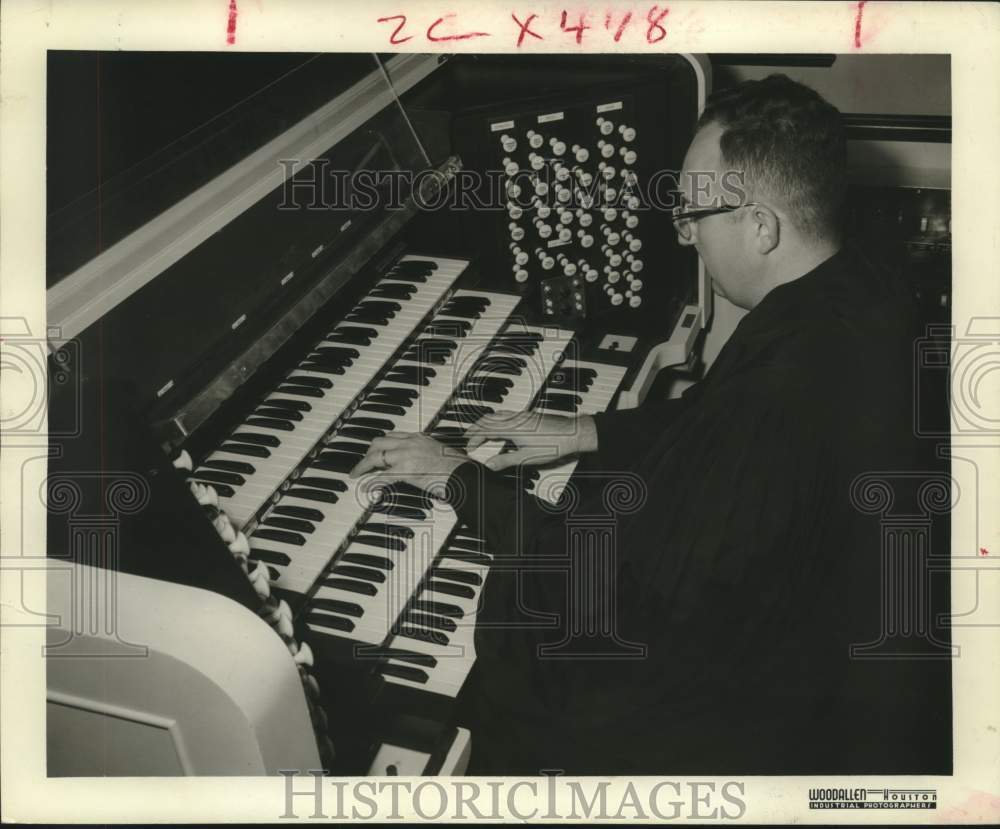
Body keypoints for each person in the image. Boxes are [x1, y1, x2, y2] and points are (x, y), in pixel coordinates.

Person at [350, 75, 950, 775]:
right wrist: (585, 431)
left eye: (695, 211)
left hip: (735, 714)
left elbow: (615, 602)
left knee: (508, 688)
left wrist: (455, 476)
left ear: (761, 225)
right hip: (826, 625)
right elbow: (720, 416)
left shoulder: (775, 402)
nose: (686, 233)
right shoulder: (860, 285)